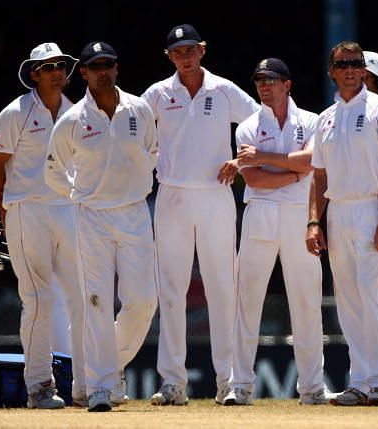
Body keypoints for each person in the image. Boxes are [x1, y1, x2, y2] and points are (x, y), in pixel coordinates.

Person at [141, 24, 259, 406]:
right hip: (172, 195)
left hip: (216, 195)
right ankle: (173, 382)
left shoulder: (223, 90)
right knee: (170, 289)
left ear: (203, 50)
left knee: (223, 288)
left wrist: (238, 161)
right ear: (169, 57)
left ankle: (229, 380)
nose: (185, 57)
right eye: (177, 52)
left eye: (190, 50)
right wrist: (153, 159)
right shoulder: (158, 94)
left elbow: (259, 125)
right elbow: (135, 133)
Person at [45, 41, 158, 412]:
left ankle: (109, 364)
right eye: (96, 67)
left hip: (134, 213)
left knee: (142, 302)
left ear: (117, 67)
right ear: (85, 73)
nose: (103, 72)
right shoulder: (72, 121)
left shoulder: (139, 108)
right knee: (95, 302)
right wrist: (79, 194)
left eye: (109, 64)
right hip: (91, 217)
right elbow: (53, 171)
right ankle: (99, 385)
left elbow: (153, 151)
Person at [218, 58, 327, 406]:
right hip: (260, 213)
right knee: (247, 300)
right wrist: (295, 171)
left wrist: (267, 157)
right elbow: (253, 178)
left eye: (272, 80)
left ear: (287, 84)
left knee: (307, 301)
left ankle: (312, 388)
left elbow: (312, 162)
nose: (265, 86)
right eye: (260, 81)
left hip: (299, 215)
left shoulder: (311, 121)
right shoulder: (247, 126)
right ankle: (240, 386)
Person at [0, 42, 84, 409]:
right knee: (38, 300)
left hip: (69, 209)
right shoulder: (15, 114)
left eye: (61, 64)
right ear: (34, 74)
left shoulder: (78, 112)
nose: (57, 71)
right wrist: (4, 208)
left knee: (83, 297)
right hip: (28, 209)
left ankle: (86, 385)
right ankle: (40, 385)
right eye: (48, 66)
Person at [306, 41, 378, 406]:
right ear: (332, 71)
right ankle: (361, 381)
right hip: (338, 212)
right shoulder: (326, 118)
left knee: (373, 297)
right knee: (348, 302)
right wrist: (314, 222)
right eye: (343, 64)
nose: (350, 69)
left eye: (356, 64)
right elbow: (319, 176)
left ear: (364, 70)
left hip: (369, 209)